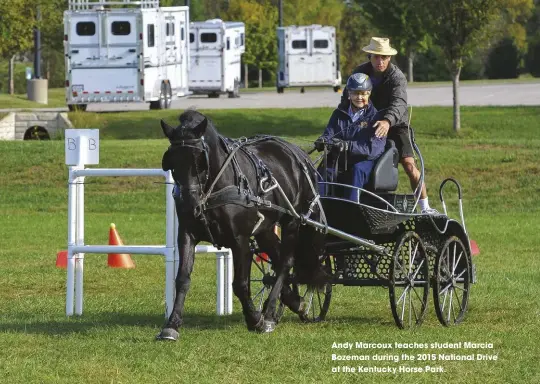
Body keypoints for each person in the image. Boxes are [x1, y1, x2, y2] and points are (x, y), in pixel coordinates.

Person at [339, 37, 438, 214]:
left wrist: (387, 121)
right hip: (367, 123)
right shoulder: (360, 72)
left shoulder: (397, 76)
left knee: (409, 164)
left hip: (396, 125)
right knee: (349, 157)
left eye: (384, 57)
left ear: (389, 58)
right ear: (370, 56)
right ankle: (353, 204)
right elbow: (346, 100)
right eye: (377, 57)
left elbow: (399, 103)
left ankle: (425, 207)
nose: (380, 61)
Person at [314, 73, 386, 201]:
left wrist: (348, 146)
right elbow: (329, 133)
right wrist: (323, 141)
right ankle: (319, 207)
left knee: (356, 171)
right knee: (324, 168)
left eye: (363, 93)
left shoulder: (376, 117)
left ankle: (351, 209)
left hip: (364, 160)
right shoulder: (338, 113)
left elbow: (373, 149)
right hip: (341, 158)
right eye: (355, 93)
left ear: (369, 93)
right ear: (349, 94)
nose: (359, 97)